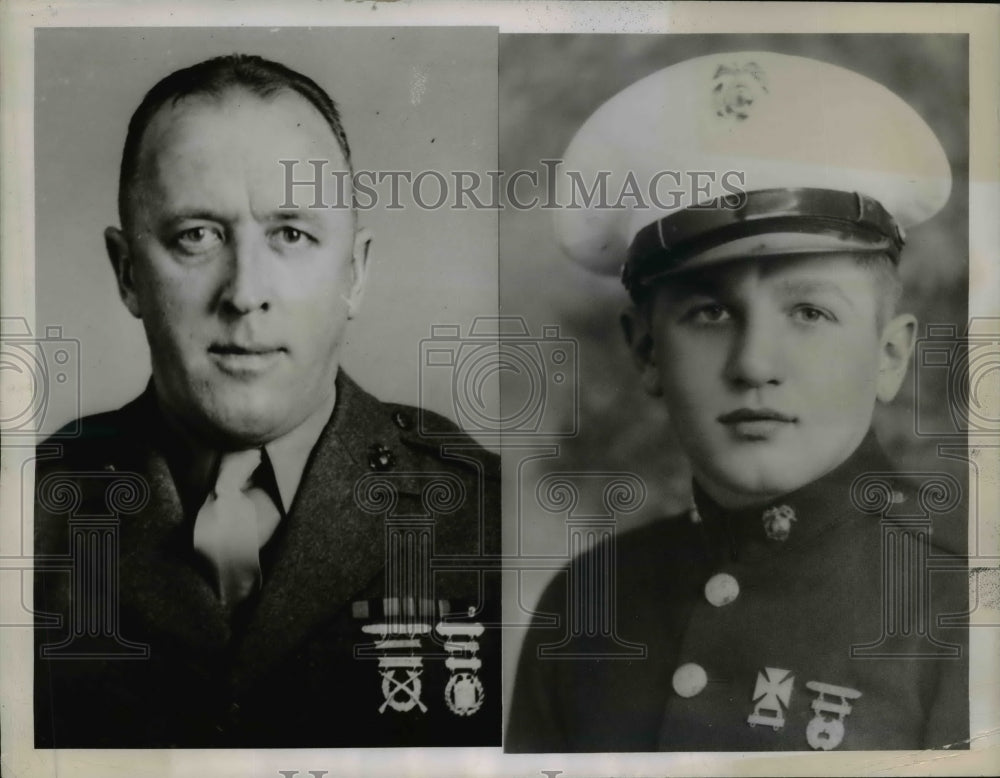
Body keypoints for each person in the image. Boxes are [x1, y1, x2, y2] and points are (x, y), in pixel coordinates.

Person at [507, 51, 968, 752]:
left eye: (810, 312)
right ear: (647, 352)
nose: (754, 363)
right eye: (710, 313)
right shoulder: (587, 603)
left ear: (889, 355)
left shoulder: (962, 609)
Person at [34, 54, 500, 748]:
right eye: (196, 236)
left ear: (354, 272)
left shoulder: (488, 517)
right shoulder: (27, 516)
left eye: (291, 234)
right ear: (128, 273)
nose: (245, 292)